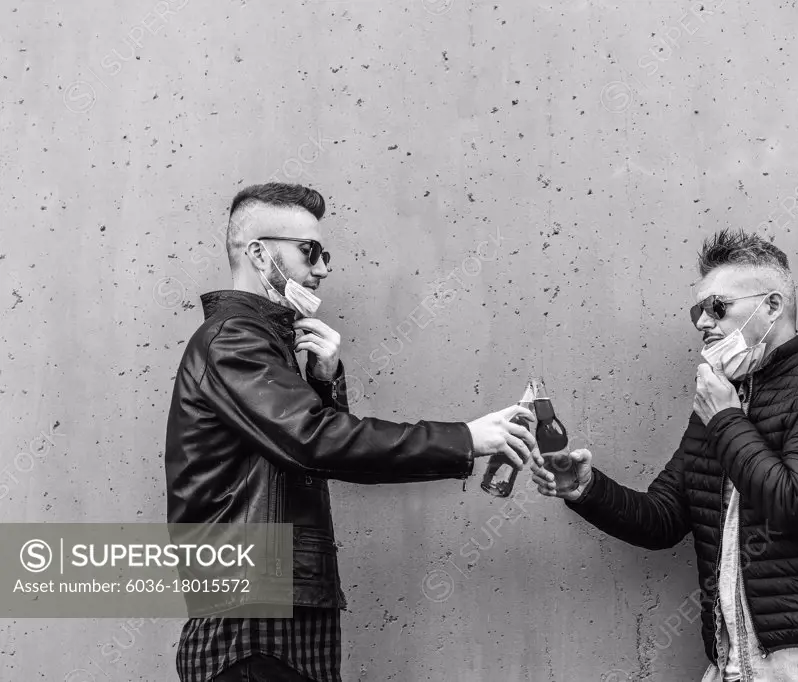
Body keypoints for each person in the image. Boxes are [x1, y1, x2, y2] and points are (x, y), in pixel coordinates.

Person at [165, 182, 536, 682]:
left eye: (324, 254)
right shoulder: (234, 338)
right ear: (258, 253)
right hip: (252, 619)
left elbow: (303, 450)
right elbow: (315, 442)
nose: (321, 269)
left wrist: (321, 381)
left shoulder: (262, 345)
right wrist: (466, 438)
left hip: (275, 607)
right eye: (308, 251)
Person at [531, 228, 798, 681]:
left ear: (772, 306)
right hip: (732, 666)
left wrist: (725, 418)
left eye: (717, 307)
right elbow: (663, 518)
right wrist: (585, 488)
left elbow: (797, 505)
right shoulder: (720, 401)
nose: (703, 322)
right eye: (697, 311)